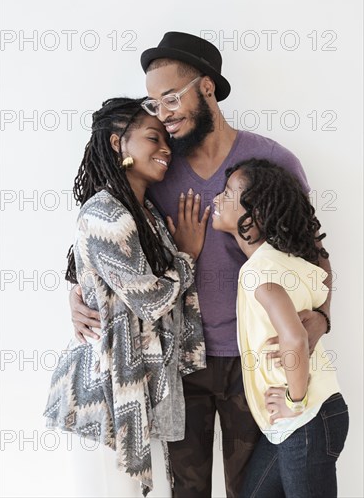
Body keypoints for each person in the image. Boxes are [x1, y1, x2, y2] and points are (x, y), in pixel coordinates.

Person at [69, 32, 333, 497]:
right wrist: (79, 294)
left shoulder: (271, 161)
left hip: (255, 361)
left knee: (251, 490)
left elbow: (314, 253)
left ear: (207, 87)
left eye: (171, 98)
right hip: (178, 365)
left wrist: (321, 319)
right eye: (154, 104)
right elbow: (108, 240)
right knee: (185, 492)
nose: (163, 114)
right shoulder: (158, 166)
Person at [43, 97, 209, 497]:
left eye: (166, 139)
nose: (165, 148)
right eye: (154, 138)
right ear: (118, 143)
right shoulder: (106, 213)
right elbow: (150, 299)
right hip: (101, 395)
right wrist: (187, 257)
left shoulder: (144, 213)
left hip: (134, 389)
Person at [212, 158, 349, 498]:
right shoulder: (290, 262)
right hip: (302, 421)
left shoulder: (260, 272)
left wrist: (294, 399)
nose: (216, 199)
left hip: (304, 418)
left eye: (228, 194)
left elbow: (294, 337)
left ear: (255, 216)